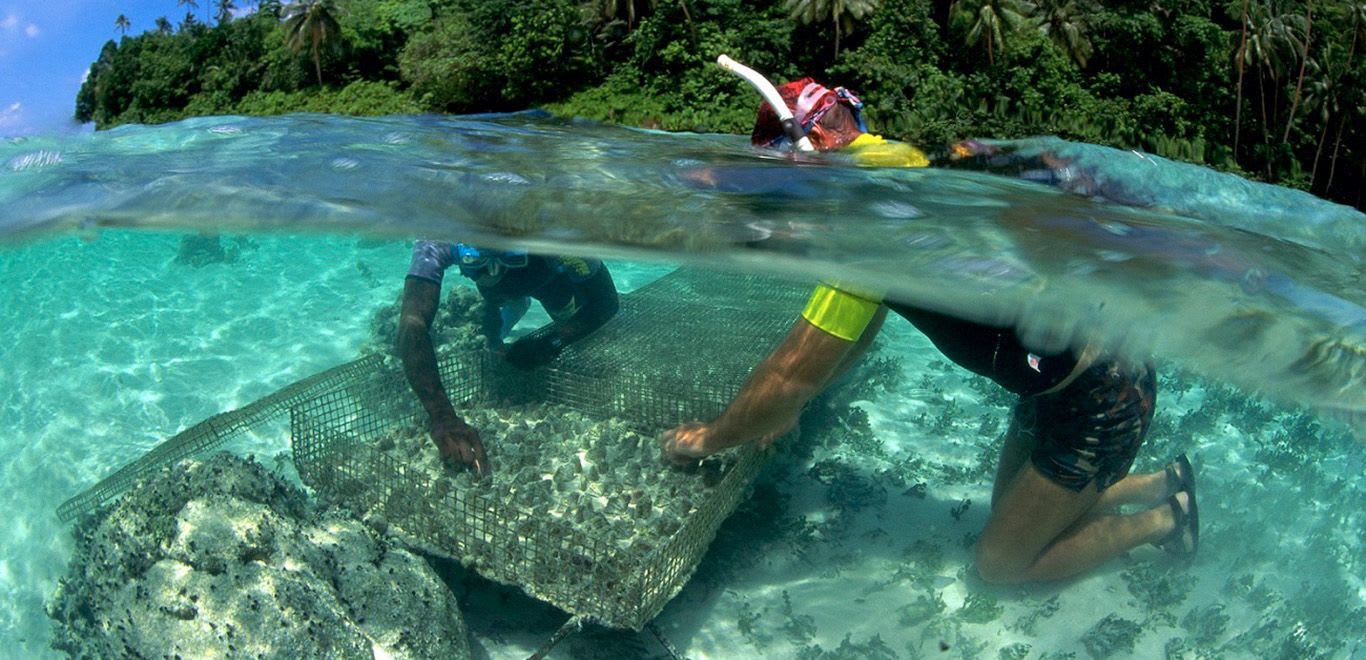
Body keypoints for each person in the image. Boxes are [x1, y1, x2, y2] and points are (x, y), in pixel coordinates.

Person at [660, 78, 1199, 584]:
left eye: (780, 182)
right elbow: (850, 334)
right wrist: (794, 401)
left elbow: (789, 373)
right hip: (1061, 378)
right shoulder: (897, 164)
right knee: (1008, 508)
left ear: (814, 143)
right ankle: (1159, 482)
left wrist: (708, 438)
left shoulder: (862, 219)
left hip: (1103, 396)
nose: (784, 204)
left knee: (1000, 566)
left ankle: (1165, 520)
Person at [398, 240, 619, 476]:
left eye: (507, 258)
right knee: (493, 312)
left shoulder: (557, 240)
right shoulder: (441, 238)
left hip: (550, 282)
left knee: (569, 313)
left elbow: (605, 302)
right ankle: (515, 305)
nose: (493, 268)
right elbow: (412, 323)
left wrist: (554, 340)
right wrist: (442, 415)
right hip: (499, 295)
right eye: (478, 261)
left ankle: (528, 300)